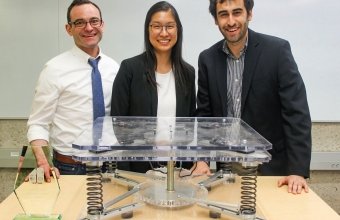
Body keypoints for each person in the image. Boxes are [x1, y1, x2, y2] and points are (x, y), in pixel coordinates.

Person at [195, 0, 312, 194]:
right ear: (216, 20)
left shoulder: (277, 51)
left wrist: (297, 171)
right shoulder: (207, 59)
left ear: (249, 14)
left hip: (272, 172)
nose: (231, 21)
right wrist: (202, 159)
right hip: (226, 171)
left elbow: (296, 113)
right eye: (224, 14)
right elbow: (205, 117)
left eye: (237, 12)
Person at [27, 0, 119, 181]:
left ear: (102, 25)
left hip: (110, 167)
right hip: (70, 168)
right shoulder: (54, 69)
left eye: (94, 21)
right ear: (68, 29)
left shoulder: (114, 68)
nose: (89, 27)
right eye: (79, 22)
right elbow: (38, 123)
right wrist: (43, 162)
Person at [110, 1, 200, 173]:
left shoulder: (188, 73)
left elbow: (190, 125)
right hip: (138, 169)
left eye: (170, 26)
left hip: (178, 169)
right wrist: (124, 172)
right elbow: (118, 126)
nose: (164, 33)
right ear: (148, 30)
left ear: (178, 30)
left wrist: (194, 164)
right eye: (157, 26)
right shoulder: (130, 69)